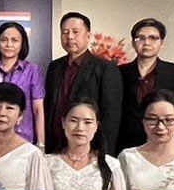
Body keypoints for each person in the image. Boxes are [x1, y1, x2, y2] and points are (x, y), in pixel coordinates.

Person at [116, 18, 174, 153]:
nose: (146, 43)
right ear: (133, 43)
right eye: (140, 38)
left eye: (153, 38)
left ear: (161, 43)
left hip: (167, 148)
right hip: (127, 148)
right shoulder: (118, 73)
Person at [45, 11, 122, 155]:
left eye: (75, 32)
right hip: (56, 145)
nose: (70, 37)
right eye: (65, 32)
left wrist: (104, 153)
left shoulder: (105, 68)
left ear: (88, 36)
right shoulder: (54, 67)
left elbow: (110, 116)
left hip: (89, 148)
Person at [0, 21, 46, 146]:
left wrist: (41, 144)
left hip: (23, 139)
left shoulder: (32, 70)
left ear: (22, 44)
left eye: (14, 40)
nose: (9, 44)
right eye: (4, 40)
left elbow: (38, 110)